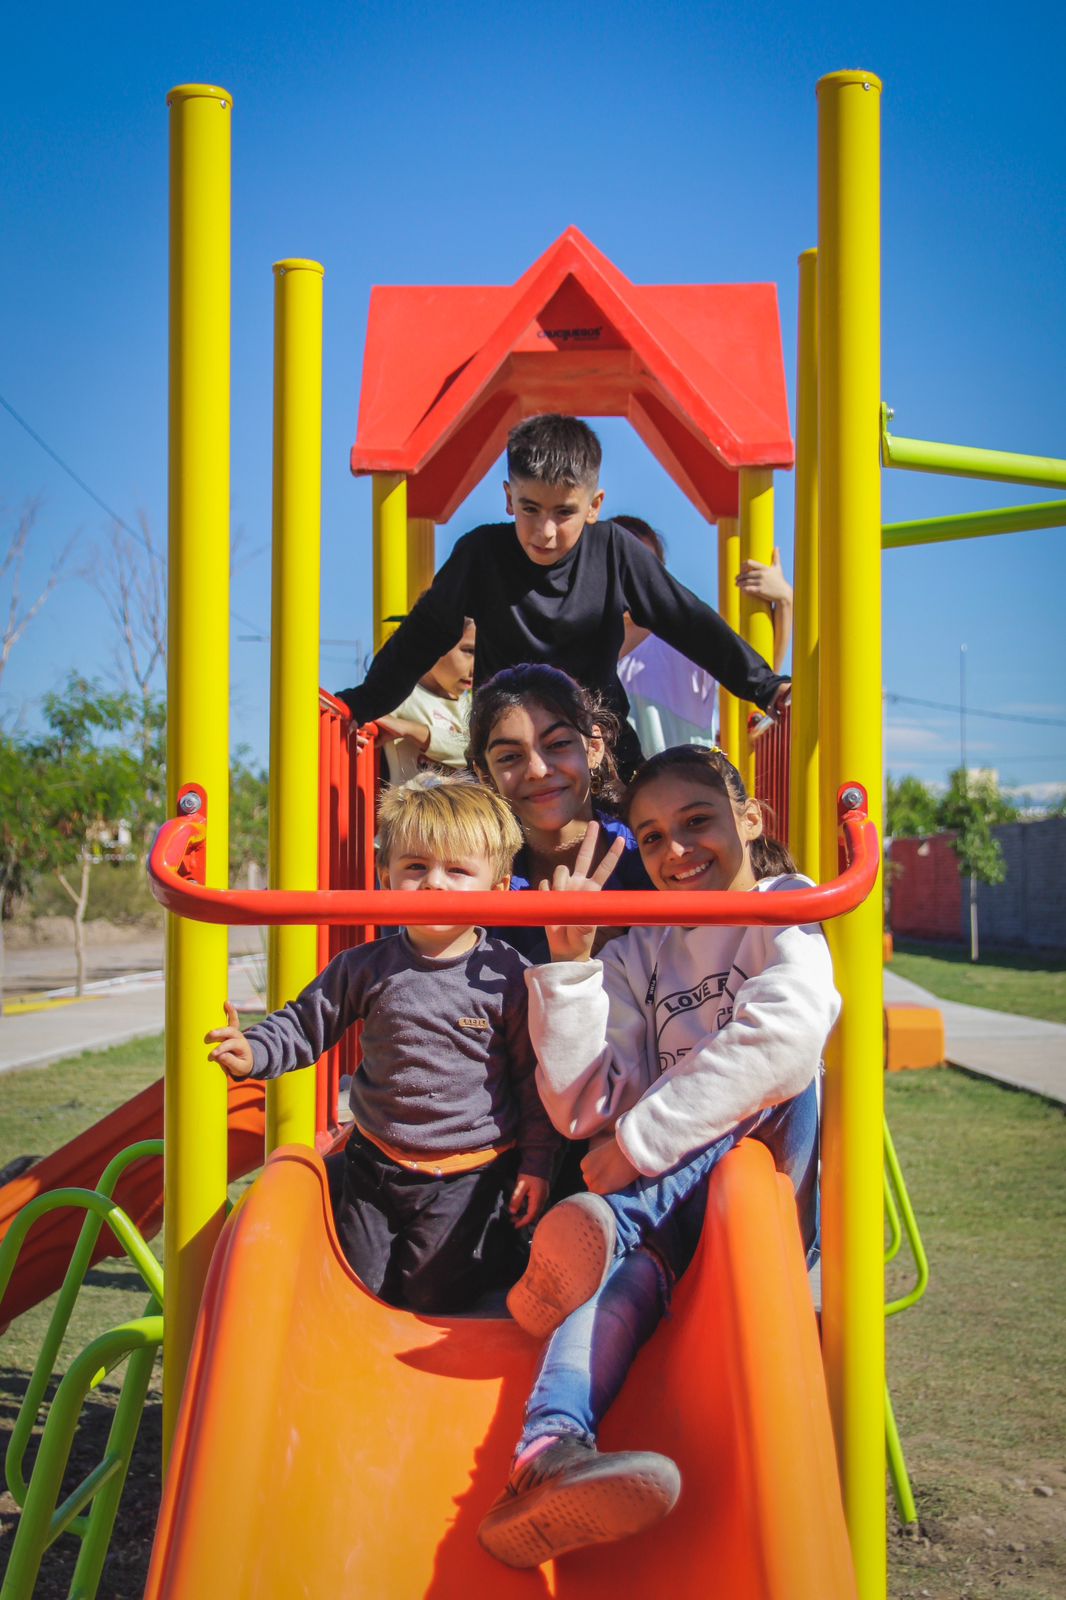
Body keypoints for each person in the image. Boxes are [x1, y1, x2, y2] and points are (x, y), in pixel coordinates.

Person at [476, 745, 840, 1567]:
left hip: (764, 1202)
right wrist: (568, 974)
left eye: (698, 821)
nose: (675, 852)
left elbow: (783, 1043)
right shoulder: (641, 949)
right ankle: (546, 1456)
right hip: (672, 1217)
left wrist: (637, 1148)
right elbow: (584, 1107)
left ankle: (606, 1225)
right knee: (616, 1275)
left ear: (750, 819)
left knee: (766, 1088)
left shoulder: (786, 905)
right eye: (651, 837)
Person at [205, 773, 558, 1314]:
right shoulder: (366, 967)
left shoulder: (507, 977)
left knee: (430, 1291)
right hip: (378, 1163)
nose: (434, 884)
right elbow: (305, 1023)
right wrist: (256, 1051)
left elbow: (531, 1080)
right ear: (386, 876)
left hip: (469, 1172)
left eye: (457, 870)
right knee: (361, 1288)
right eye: (415, 867)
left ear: (499, 886)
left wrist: (536, 1165)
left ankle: (499, 1253)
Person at [337, 414, 789, 780]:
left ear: (594, 506)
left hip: (598, 747)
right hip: (510, 751)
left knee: (629, 837)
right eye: (530, 508)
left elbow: (688, 622)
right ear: (509, 498)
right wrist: (363, 703)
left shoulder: (613, 550)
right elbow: (423, 635)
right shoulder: (481, 554)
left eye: (564, 512)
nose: (545, 531)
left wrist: (766, 688)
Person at [467, 663, 651, 965]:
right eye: (511, 757)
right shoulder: (471, 879)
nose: (538, 771)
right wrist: (561, 956)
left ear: (594, 747)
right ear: (485, 775)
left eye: (558, 744)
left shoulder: (650, 853)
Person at [616, 515, 794, 756]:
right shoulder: (580, 639)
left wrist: (784, 601)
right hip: (612, 789)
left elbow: (756, 664)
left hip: (681, 783)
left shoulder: (680, 637)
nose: (630, 581)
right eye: (618, 568)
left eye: (641, 569)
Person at [376, 617, 475, 785]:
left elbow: (477, 753)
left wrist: (411, 730)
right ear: (432, 644)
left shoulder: (472, 705)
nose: (476, 665)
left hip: (464, 810)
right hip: (410, 809)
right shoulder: (402, 696)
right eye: (469, 651)